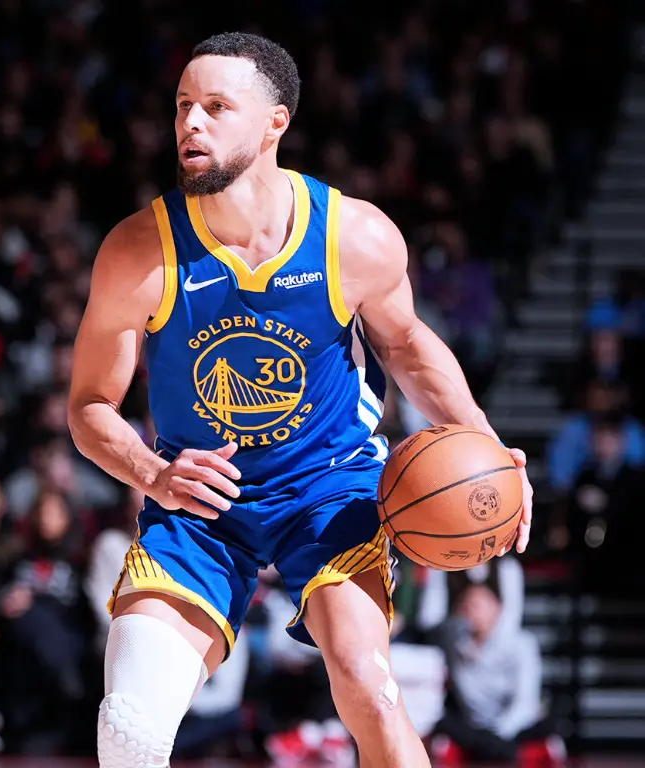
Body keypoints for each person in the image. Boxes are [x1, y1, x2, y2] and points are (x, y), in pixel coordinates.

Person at [67, 32, 532, 768]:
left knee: (370, 691)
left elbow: (408, 348)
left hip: (329, 485)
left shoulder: (354, 236)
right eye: (183, 106)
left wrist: (485, 444)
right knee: (130, 728)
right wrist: (151, 473)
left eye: (216, 107)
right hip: (199, 495)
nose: (191, 122)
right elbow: (90, 405)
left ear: (274, 123)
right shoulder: (138, 251)